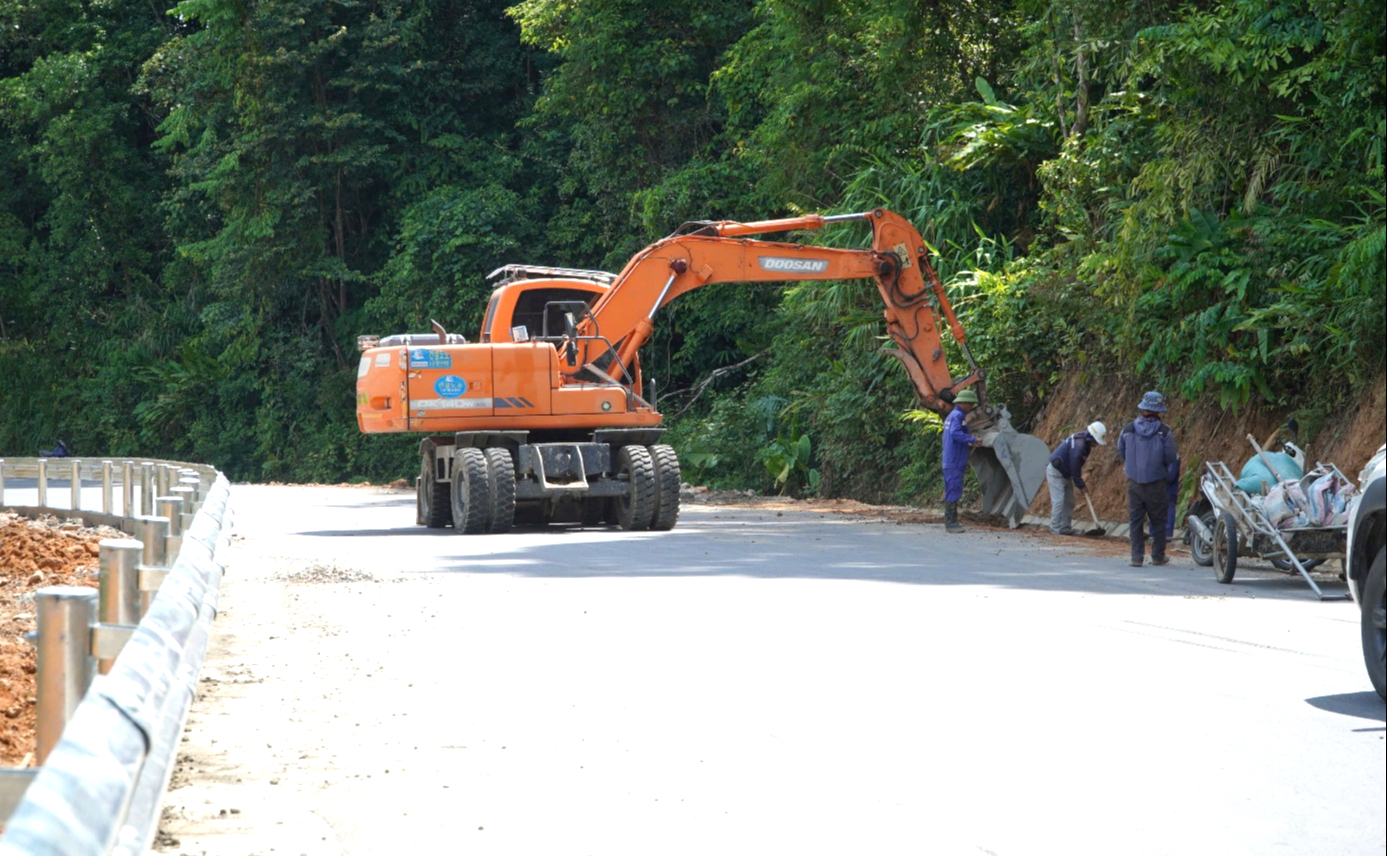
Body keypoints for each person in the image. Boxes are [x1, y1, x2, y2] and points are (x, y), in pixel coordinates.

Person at [1117, 391, 1178, 567]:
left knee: (1135, 520)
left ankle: (1136, 558)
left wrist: (1132, 466)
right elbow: (1171, 457)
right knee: (1158, 520)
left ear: (1143, 408)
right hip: (1157, 482)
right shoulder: (1165, 432)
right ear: (1159, 411)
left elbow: (1121, 451)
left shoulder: (1127, 429)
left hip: (1134, 483)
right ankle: (1157, 556)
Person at [1046, 422, 1107, 535]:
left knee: (1069, 501)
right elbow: (1075, 470)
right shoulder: (1079, 447)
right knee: (1059, 500)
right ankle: (1055, 529)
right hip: (1056, 472)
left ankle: (1065, 528)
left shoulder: (1083, 442)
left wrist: (1079, 483)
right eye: (1096, 442)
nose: (1097, 445)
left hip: (1066, 473)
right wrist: (1081, 486)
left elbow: (1075, 469)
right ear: (1091, 438)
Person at [941, 387, 982, 533]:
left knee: (951, 489)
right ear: (963, 403)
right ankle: (951, 523)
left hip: (950, 459)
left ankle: (951, 521)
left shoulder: (952, 416)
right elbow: (955, 433)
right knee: (954, 489)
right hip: (954, 460)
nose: (971, 408)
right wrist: (972, 439)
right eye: (970, 404)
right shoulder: (958, 416)